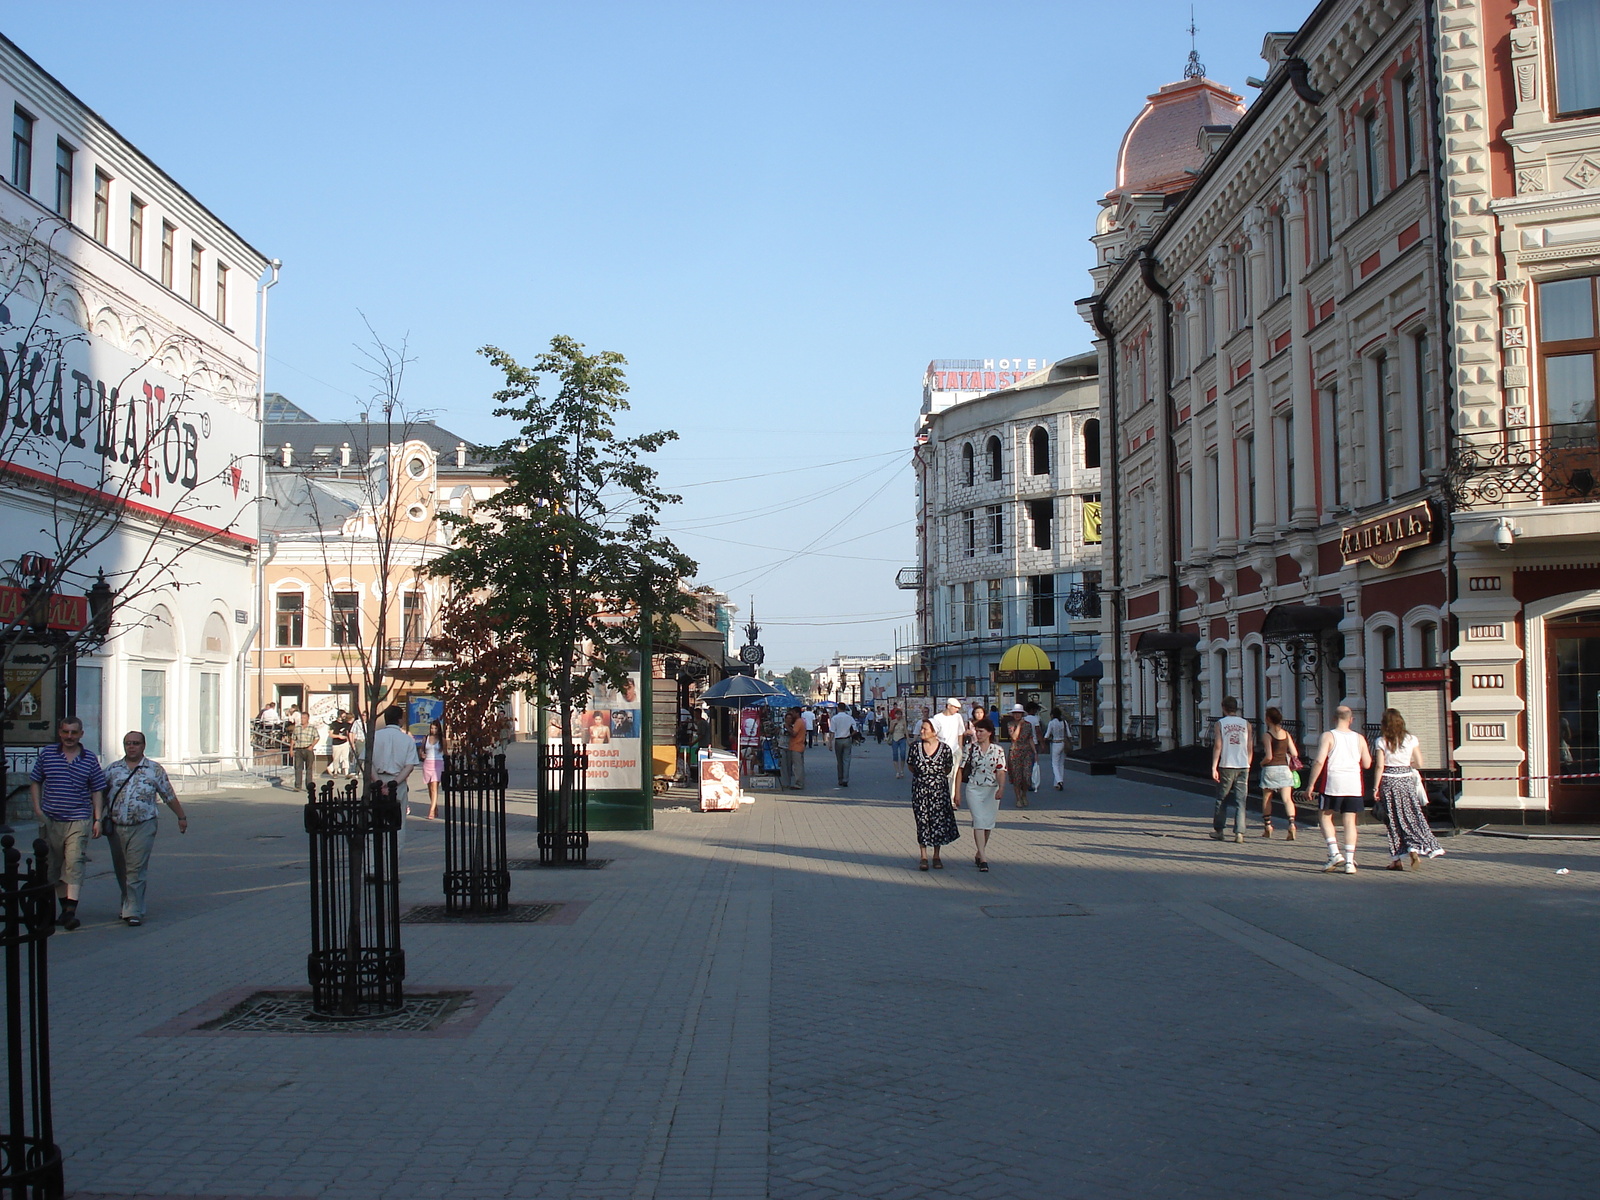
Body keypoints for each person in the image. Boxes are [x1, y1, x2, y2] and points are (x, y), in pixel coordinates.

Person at [28, 716, 106, 931]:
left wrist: (97, 818)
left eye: (74, 732)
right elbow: (35, 781)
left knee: (74, 862)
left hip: (78, 819)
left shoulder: (89, 759)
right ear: (60, 733)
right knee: (53, 866)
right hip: (51, 819)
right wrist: (38, 810)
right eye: (65, 732)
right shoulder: (48, 755)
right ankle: (64, 909)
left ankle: (70, 911)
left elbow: (97, 789)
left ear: (81, 734)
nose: (69, 736)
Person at [102, 730, 188, 926]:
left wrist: (181, 817)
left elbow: (168, 794)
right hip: (116, 827)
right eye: (128, 743)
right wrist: (96, 819)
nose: (131, 746)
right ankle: (128, 902)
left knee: (135, 868)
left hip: (143, 825)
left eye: (136, 743)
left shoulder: (154, 769)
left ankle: (133, 911)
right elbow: (99, 795)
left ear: (143, 746)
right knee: (122, 868)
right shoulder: (112, 770)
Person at [1372, 708, 1445, 869]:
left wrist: (1375, 787)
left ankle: (1396, 859)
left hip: (1389, 782)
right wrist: (1407, 765)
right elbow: (1419, 762)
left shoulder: (1381, 741)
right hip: (1406, 780)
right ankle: (1415, 847)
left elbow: (1379, 766)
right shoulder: (1411, 739)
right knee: (1411, 816)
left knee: (1393, 820)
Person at [1305, 705, 1373, 874]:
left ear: (1334, 718)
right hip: (1354, 784)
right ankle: (1350, 861)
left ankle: (1334, 853)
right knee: (1350, 821)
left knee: (1325, 815)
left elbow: (1319, 761)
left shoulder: (1328, 736)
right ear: (1352, 720)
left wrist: (1310, 784)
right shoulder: (1359, 738)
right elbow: (1367, 763)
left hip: (1333, 782)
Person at [908, 716, 959, 869]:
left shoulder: (944, 749)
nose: (922, 731)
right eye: (922, 728)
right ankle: (923, 855)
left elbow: (948, 768)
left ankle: (936, 855)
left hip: (939, 791)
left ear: (934, 732)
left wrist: (936, 777)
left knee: (938, 821)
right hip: (920, 790)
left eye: (925, 729)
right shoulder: (915, 748)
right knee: (922, 821)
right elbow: (911, 766)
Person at [960, 718, 1006, 871]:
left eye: (981, 731)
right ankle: (984, 858)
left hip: (991, 788)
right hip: (974, 788)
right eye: (976, 731)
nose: (978, 734)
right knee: (979, 820)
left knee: (987, 824)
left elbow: (1001, 770)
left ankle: (979, 852)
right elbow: (961, 768)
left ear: (989, 732)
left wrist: (1001, 788)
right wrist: (956, 791)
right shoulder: (970, 748)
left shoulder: (998, 750)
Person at [370, 704, 418, 841]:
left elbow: (367, 763)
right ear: (400, 720)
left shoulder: (374, 736)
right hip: (398, 781)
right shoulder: (407, 739)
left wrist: (378, 782)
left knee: (376, 820)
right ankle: (395, 854)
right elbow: (409, 766)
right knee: (398, 821)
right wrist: (394, 783)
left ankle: (376, 857)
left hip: (377, 781)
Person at [1209, 696, 1253, 843]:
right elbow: (1250, 746)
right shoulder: (1246, 724)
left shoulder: (1220, 724)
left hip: (1226, 765)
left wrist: (1214, 766)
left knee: (1222, 798)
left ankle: (1219, 830)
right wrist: (1248, 762)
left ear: (1223, 708)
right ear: (1236, 707)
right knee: (1241, 800)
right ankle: (1239, 833)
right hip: (1243, 765)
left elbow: (1218, 746)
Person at [1259, 707, 1300, 840]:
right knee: (1287, 799)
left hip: (1270, 769)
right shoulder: (1286, 734)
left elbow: (1269, 756)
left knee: (1267, 798)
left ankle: (1268, 827)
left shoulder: (1267, 735)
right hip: (1284, 769)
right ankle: (1292, 825)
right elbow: (1295, 753)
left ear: (1268, 719)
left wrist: (1261, 763)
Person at [931, 698, 968, 803]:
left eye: (958, 708)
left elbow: (960, 733)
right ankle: (940, 797)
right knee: (942, 775)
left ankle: (950, 800)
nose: (957, 710)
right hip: (942, 750)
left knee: (953, 775)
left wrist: (960, 748)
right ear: (948, 706)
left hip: (955, 749)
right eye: (955, 707)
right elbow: (935, 734)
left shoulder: (958, 717)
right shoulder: (937, 717)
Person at [1005, 704, 1037, 808]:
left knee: (1026, 776)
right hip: (1015, 752)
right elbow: (1014, 737)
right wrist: (1018, 725)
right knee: (1016, 777)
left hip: (1026, 751)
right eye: (1015, 713)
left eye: (1019, 713)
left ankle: (1024, 794)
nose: (1017, 715)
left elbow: (1030, 738)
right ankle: (1018, 798)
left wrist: (1035, 752)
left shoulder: (1028, 725)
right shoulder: (1010, 724)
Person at [290, 709, 319, 792]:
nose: (302, 719)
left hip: (308, 749)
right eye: (301, 718)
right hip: (299, 750)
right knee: (298, 768)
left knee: (309, 769)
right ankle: (297, 786)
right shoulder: (297, 728)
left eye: (304, 718)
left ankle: (309, 786)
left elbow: (317, 737)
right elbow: (293, 739)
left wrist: (312, 745)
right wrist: (291, 749)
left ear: (308, 719)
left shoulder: (312, 728)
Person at [422, 720, 446, 819]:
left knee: (434, 787)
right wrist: (422, 754)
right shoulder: (426, 738)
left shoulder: (442, 739)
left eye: (435, 728)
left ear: (439, 729)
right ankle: (434, 806)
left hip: (438, 762)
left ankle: (431, 811)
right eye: (432, 728)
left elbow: (445, 752)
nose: (433, 730)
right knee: (430, 788)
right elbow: (422, 750)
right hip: (427, 763)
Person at [829, 703, 857, 788]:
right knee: (846, 760)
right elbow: (855, 730)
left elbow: (832, 731)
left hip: (838, 740)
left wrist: (830, 743)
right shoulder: (849, 718)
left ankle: (840, 779)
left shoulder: (834, 718)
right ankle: (845, 779)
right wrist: (850, 735)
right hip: (847, 739)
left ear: (838, 708)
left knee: (839, 760)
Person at [1044, 706, 1069, 792]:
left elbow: (1047, 735)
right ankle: (1057, 782)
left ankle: (1059, 781)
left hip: (1055, 743)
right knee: (1061, 764)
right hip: (1063, 743)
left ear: (1052, 715)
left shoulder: (1052, 723)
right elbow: (1069, 734)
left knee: (1054, 764)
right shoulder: (1064, 722)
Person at [783, 708, 806, 790]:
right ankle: (798, 782)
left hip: (796, 746)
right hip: (797, 746)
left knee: (797, 766)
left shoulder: (798, 722)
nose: (791, 714)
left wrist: (787, 727)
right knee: (797, 765)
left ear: (797, 713)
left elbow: (794, 733)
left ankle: (799, 783)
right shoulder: (800, 721)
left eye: (793, 713)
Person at [328, 710, 353, 777]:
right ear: (340, 715)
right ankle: (335, 772)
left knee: (345, 757)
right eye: (343, 715)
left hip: (345, 743)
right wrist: (339, 736)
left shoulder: (346, 723)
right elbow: (331, 734)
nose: (345, 717)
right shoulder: (334, 724)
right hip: (336, 744)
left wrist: (349, 740)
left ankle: (346, 773)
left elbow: (348, 732)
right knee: (336, 758)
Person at [888, 707, 909, 779]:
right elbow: (890, 731)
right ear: (895, 715)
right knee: (895, 754)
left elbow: (906, 730)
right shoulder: (893, 721)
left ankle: (902, 770)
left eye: (900, 714)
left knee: (903, 754)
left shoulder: (903, 721)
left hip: (902, 738)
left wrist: (908, 740)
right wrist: (894, 725)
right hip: (895, 739)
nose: (898, 716)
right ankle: (897, 771)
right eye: (897, 714)